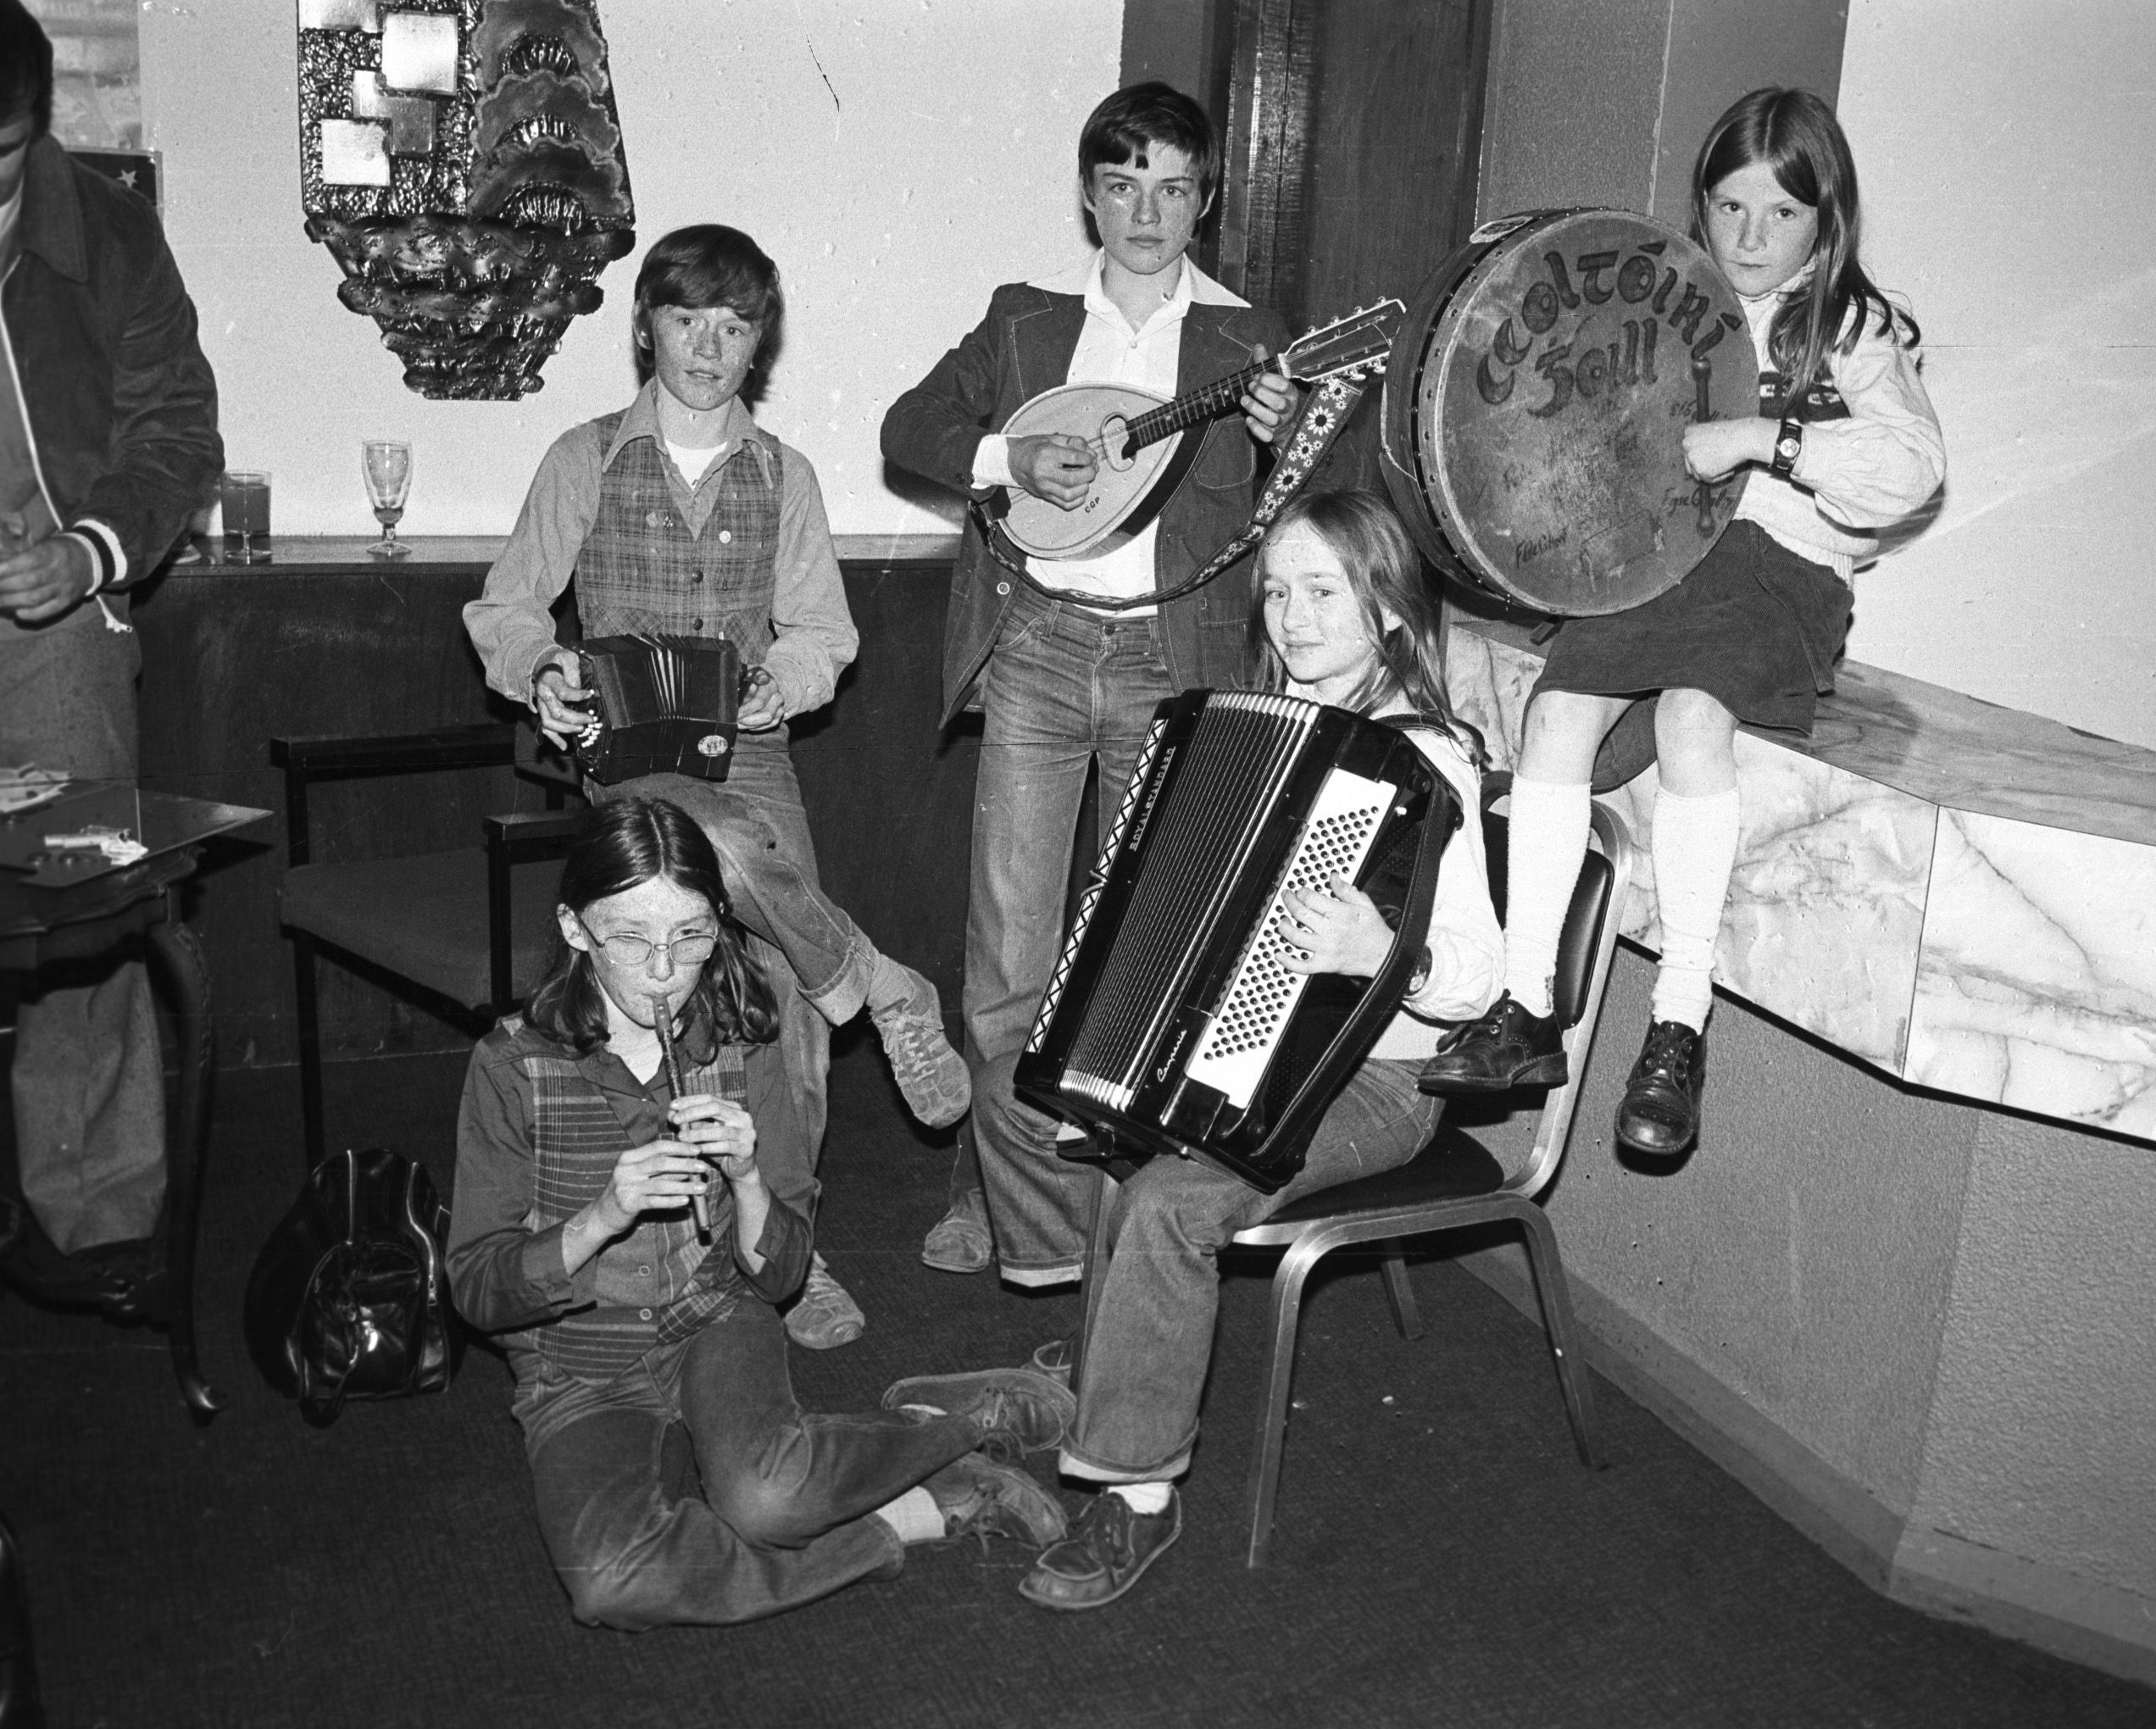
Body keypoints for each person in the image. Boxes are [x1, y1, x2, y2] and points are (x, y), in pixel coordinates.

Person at [883, 490, 1501, 1609]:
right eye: (1277, 592)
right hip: (1232, 1048)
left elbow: (1478, 982)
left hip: (1380, 1076)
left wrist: (1383, 951)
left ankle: (1136, 1491)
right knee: (1019, 1091)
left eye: (1323, 592)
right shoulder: (1253, 727)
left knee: (1169, 1198)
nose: (1293, 618)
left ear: (1388, 611)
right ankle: (1099, 1368)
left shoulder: (1423, 766)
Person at [465, 224, 969, 1349]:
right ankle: (879, 982)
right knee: (736, 884)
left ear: (759, 343)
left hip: (745, 751)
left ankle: (789, 1243)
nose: (707, 347)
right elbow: (508, 606)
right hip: (620, 753)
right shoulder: (584, 457)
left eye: (733, 327)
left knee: (781, 985)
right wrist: (543, 674)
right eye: (686, 321)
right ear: (646, 330)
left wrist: (779, 685)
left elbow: (822, 633)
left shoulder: (785, 474)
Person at [1418, 86, 1944, 1158]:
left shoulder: (1849, 326)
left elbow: (1913, 469)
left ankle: (1677, 1024)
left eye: (1781, 214)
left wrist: (1764, 439)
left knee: (1693, 722)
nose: (1750, 238)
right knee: (1555, 716)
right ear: (1698, 204)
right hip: (1663, 561)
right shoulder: (1663, 294)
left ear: (1825, 219)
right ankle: (1524, 1006)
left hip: (1779, 571)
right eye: (1729, 207)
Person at [446, 797, 1075, 1629]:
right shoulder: (510, 1065)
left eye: (691, 936)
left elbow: (780, 1278)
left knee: (768, 1502)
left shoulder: (741, 1042)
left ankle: (957, 1416)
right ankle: (915, 1506)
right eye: (629, 938)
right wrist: (599, 1217)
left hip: (715, 1317)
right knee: (609, 1585)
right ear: (574, 929)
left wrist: (747, 1182)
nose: (664, 972)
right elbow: (475, 1291)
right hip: (577, 1363)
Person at [880, 81, 1300, 1280]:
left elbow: (1305, 515)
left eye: (1172, 189)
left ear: (1204, 201)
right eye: (1123, 187)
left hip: (1175, 659)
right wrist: (1005, 455)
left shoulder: (1250, 339)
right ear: (1088, 196)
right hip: (1040, 646)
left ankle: (1116, 1216)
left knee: (1136, 962)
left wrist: (1286, 432)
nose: (1146, 214)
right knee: (1008, 956)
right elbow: (906, 428)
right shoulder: (1025, 322)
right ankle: (1014, 1211)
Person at [0, 0, 222, 1307]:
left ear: (38, 125)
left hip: (52, 632)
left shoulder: (114, 237)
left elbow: (177, 439)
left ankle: (93, 1211)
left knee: (85, 919)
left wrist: (84, 555)